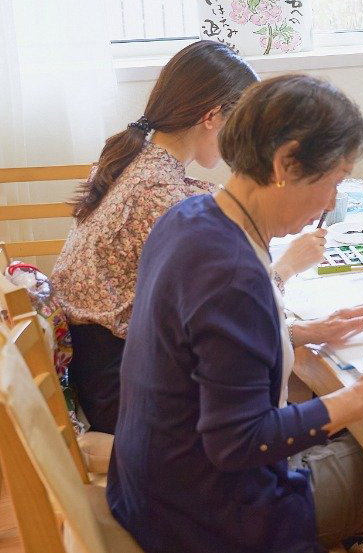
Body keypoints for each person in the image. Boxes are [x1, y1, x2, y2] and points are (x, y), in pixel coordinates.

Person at [108, 74, 363, 553]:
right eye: (334, 181)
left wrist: (299, 331)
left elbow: (205, 349)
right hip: (205, 515)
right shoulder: (233, 275)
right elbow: (240, 443)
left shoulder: (190, 219)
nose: (332, 203)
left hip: (151, 483)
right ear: (285, 163)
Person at [52, 41, 319, 433]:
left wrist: (295, 330)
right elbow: (224, 308)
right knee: (285, 392)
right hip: (125, 392)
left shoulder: (140, 160)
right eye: (240, 128)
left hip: (113, 366)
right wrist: (287, 267)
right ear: (212, 116)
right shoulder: (157, 194)